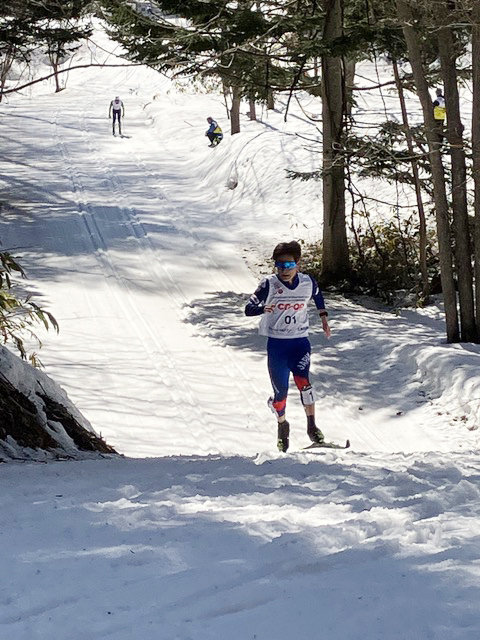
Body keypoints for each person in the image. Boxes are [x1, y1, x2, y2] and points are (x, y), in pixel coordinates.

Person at [245, 240, 331, 453]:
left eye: (289, 265)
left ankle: (312, 427)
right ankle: (282, 427)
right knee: (280, 395)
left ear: (298, 264)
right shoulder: (269, 284)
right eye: (280, 266)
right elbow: (248, 308)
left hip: (300, 343)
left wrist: (324, 318)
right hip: (277, 346)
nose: (284, 270)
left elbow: (318, 297)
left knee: (305, 384)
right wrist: (264, 308)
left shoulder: (307, 282)